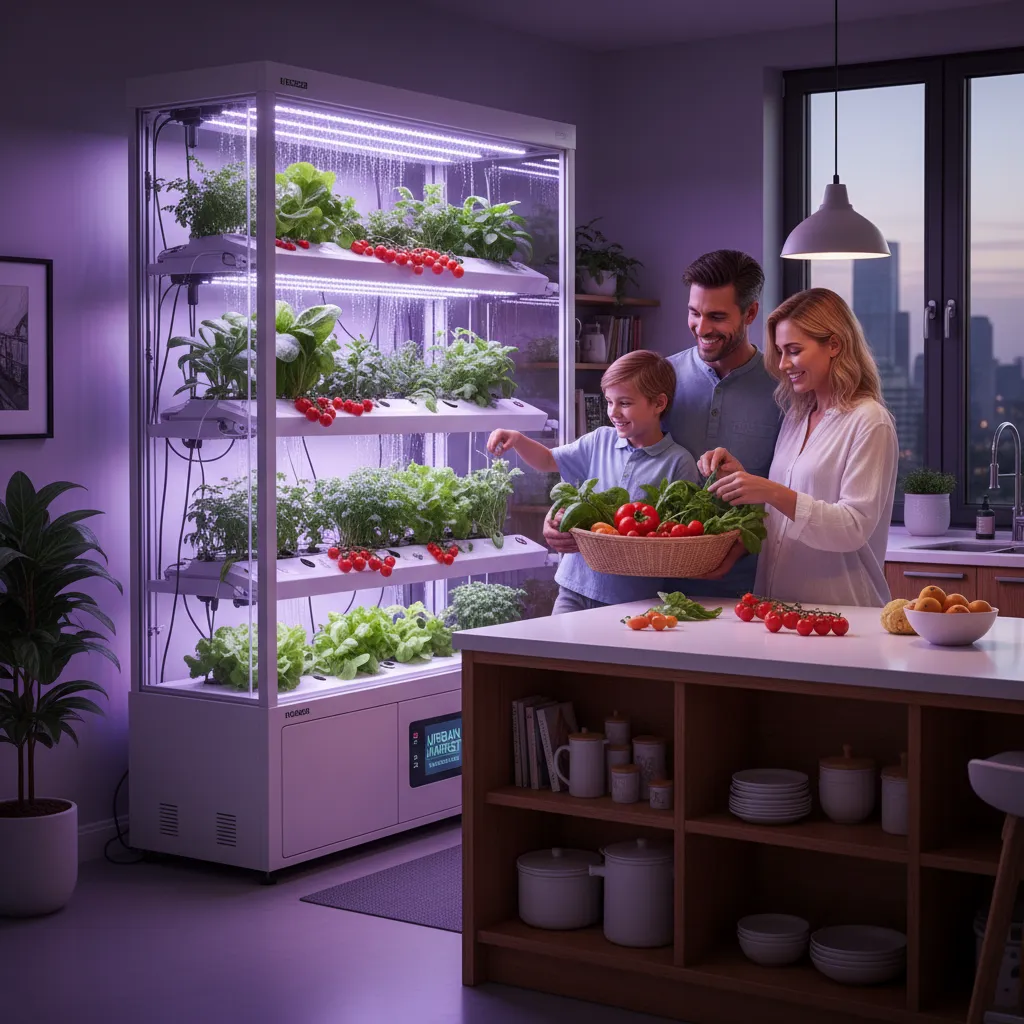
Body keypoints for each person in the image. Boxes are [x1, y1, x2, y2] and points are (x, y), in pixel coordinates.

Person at [698, 287, 898, 608]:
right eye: (779, 351)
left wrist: (770, 491)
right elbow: (785, 513)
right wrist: (742, 478)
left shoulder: (869, 421)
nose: (782, 364)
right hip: (779, 606)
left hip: (842, 610)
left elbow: (853, 527)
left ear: (834, 345)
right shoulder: (797, 416)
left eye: (793, 350)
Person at [488, 350, 698, 614]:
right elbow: (547, 460)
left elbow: (675, 540)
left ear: (658, 404)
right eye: (609, 402)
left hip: (634, 599)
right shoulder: (600, 440)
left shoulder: (678, 462)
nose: (614, 412)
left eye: (624, 403)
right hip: (574, 587)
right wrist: (517, 439)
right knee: (561, 653)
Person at [661, 249, 781, 596]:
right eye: (694, 313)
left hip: (748, 588)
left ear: (751, 313)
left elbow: (793, 489)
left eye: (716, 316)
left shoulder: (783, 389)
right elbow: (624, 455)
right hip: (656, 583)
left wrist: (743, 541)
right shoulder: (662, 377)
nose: (702, 328)